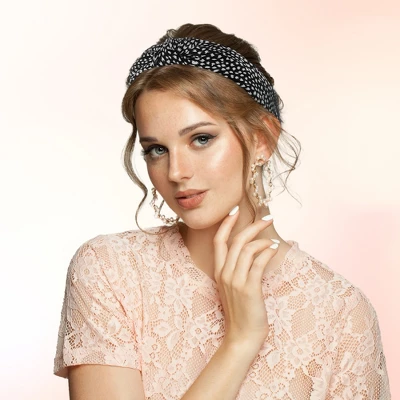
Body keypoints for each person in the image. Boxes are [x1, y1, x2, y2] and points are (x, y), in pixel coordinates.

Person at [53, 23, 391, 399]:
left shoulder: (342, 314)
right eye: (156, 150)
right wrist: (240, 342)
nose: (176, 172)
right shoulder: (110, 270)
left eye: (201, 139)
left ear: (262, 139)